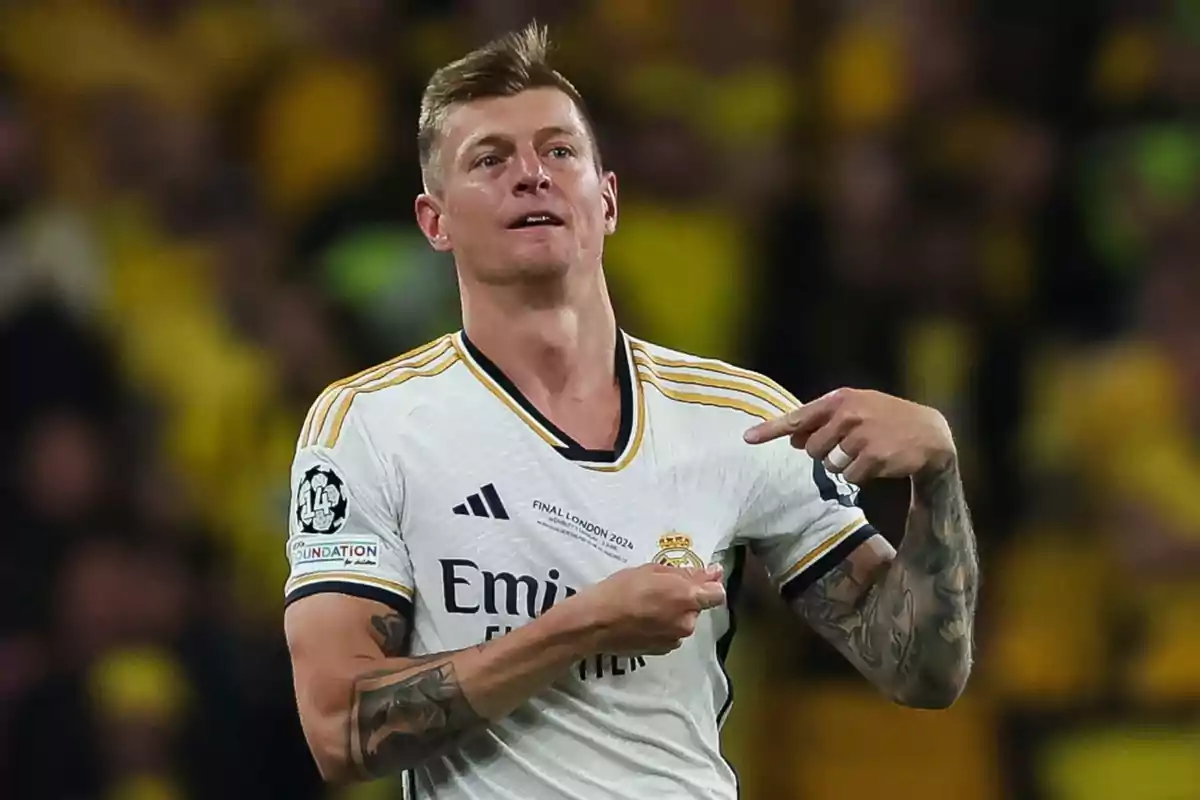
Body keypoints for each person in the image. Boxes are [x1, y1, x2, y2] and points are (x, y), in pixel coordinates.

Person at [282, 23, 979, 800]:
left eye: (559, 151)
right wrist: (584, 625)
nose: (532, 176)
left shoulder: (738, 420)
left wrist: (939, 477)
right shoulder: (371, 425)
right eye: (489, 159)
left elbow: (922, 672)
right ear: (434, 221)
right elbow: (340, 731)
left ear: (606, 199)